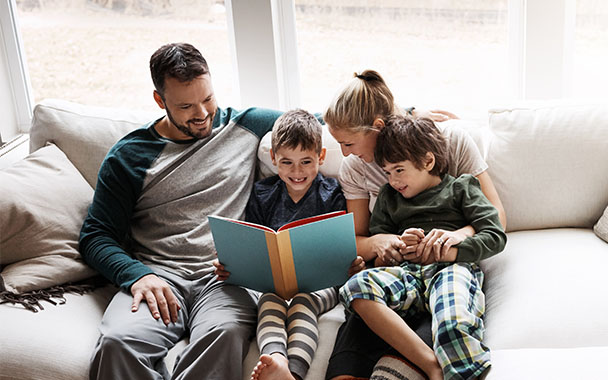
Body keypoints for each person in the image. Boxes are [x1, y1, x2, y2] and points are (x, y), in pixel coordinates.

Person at [79, 42, 284, 379]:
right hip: (159, 276)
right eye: (186, 106)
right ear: (160, 101)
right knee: (117, 343)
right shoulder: (129, 157)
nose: (202, 114)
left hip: (225, 277)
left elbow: (324, 123)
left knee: (225, 334)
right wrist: (137, 275)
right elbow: (95, 236)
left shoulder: (247, 126)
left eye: (208, 99)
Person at [322, 70, 508, 380]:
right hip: (399, 273)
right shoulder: (357, 169)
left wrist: (453, 241)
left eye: (349, 143)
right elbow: (359, 238)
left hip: (447, 266)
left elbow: (495, 218)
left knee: (442, 325)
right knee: (349, 354)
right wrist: (382, 245)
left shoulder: (448, 143)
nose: (345, 152)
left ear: (377, 128)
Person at [211, 109, 363, 380]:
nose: (297, 172)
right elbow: (252, 243)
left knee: (303, 301)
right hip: (274, 284)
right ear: (273, 159)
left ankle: (294, 372)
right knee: (269, 301)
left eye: (306, 161)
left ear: (321, 157)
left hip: (322, 283)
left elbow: (342, 246)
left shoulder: (332, 195)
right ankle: (278, 360)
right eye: (287, 162)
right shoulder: (262, 194)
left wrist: (351, 264)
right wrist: (231, 266)